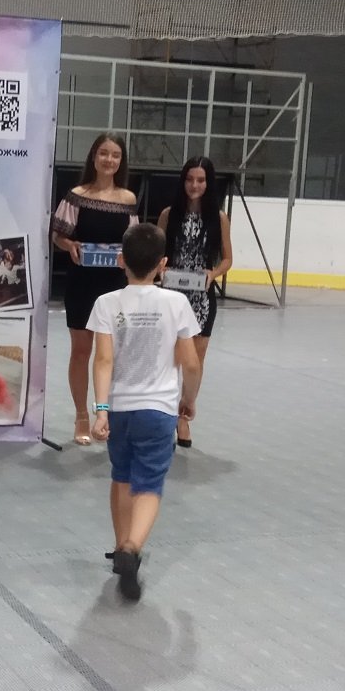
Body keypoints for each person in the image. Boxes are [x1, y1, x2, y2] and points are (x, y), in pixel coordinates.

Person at [87, 224, 202, 601]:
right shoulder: (177, 303)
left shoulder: (106, 303)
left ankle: (120, 542)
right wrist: (189, 400)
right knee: (149, 483)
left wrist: (101, 410)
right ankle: (132, 547)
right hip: (159, 410)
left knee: (121, 475)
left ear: (121, 260)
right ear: (163, 265)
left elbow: (103, 360)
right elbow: (191, 363)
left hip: (120, 409)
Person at [51, 132, 138, 445]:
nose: (109, 160)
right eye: (104, 153)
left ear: (121, 161)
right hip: (82, 284)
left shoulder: (128, 200)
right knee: (81, 351)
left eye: (115, 155)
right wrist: (69, 245)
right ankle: (81, 415)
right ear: (93, 156)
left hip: (115, 287)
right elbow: (57, 235)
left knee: (112, 355)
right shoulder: (76, 195)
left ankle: (107, 414)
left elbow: (133, 241)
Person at [157, 156, 232, 448]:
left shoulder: (219, 218)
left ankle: (184, 415)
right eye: (190, 179)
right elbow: (158, 253)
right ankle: (162, 413)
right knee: (167, 356)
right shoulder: (168, 214)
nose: (195, 185)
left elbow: (227, 259)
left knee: (195, 360)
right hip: (171, 296)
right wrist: (160, 269)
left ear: (208, 183)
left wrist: (213, 273)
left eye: (201, 180)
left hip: (202, 297)